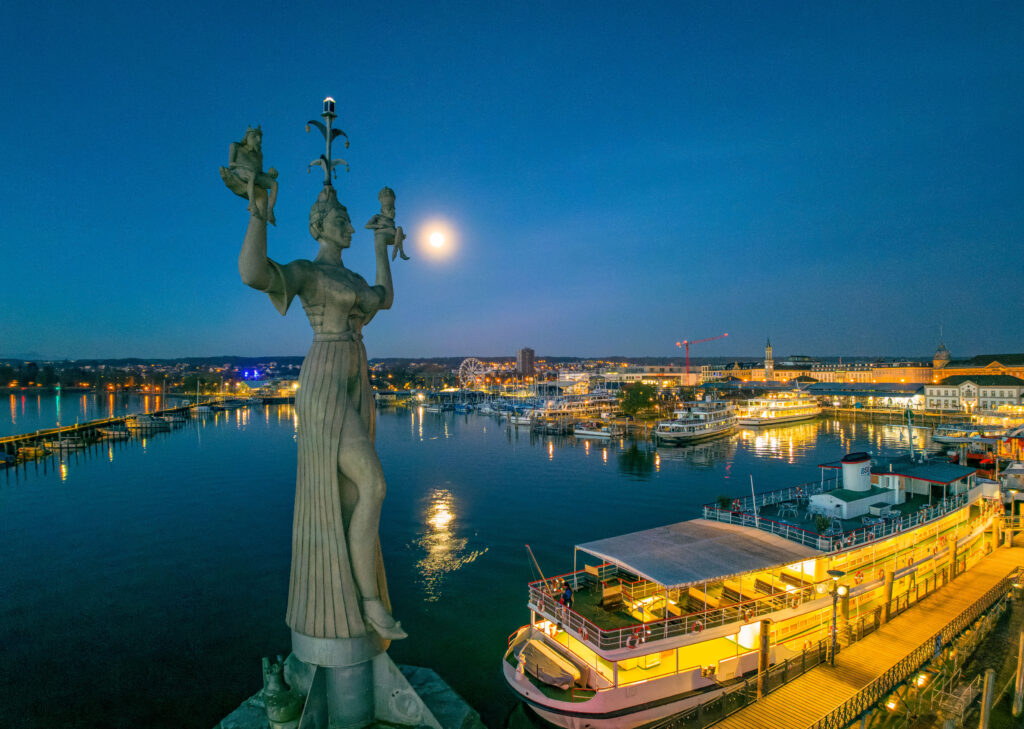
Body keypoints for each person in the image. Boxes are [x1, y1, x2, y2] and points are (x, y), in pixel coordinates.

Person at [237, 180, 406, 642]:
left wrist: (380, 245)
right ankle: (368, 601)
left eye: (349, 221)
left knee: (356, 491)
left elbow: (383, 298)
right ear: (319, 228)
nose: (349, 226)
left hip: (356, 377)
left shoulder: (351, 280)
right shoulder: (308, 274)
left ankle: (362, 593)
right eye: (341, 221)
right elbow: (254, 274)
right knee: (372, 484)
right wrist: (257, 212)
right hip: (326, 377)